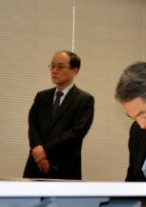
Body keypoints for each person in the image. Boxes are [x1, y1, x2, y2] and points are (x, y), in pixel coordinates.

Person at [23, 51, 95, 179]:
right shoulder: (42, 97)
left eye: (60, 67)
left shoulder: (85, 100)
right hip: (36, 165)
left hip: (64, 167)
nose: (54, 71)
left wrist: (45, 151)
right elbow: (33, 125)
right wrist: (38, 150)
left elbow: (76, 132)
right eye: (52, 66)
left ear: (74, 71)